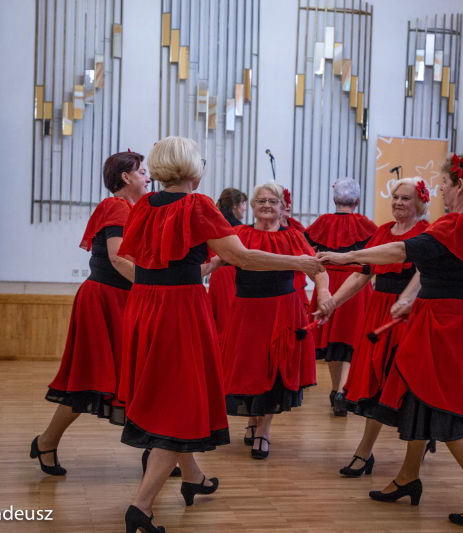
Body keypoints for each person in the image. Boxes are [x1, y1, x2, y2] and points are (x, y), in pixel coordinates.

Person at [117, 138, 323, 532]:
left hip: (144, 306)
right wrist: (299, 261)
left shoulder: (144, 205)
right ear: (192, 167)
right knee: (180, 404)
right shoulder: (197, 204)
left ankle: (192, 477)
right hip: (179, 309)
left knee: (168, 395)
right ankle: (141, 506)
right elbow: (241, 256)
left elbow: (132, 257)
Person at [316, 153, 463, 526]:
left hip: (446, 324)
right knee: (419, 397)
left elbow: (402, 250)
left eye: (445, 183)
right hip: (456, 318)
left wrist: (345, 256)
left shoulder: (456, 223)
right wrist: (412, 300)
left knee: (445, 409)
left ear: (460, 185)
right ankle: (407, 476)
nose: (441, 190)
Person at [30, 151, 149, 477]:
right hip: (105, 301)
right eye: (142, 172)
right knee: (89, 382)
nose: (147, 178)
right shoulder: (116, 206)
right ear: (125, 177)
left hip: (122, 300)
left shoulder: (134, 209)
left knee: (139, 379)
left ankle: (159, 454)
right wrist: (154, 285)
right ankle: (46, 441)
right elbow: (117, 258)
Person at [317, 177, 430, 475]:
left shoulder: (426, 233)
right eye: (395, 197)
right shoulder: (382, 232)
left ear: (420, 202)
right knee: (377, 383)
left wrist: (406, 301)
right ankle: (364, 452)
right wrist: (332, 303)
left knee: (407, 384)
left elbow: (425, 276)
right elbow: (361, 275)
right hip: (380, 310)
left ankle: (412, 457)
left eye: (405, 198)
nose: (398, 202)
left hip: (408, 314)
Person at [221, 181, 331, 459]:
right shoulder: (238, 234)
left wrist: (324, 292)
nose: (267, 206)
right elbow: (215, 259)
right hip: (246, 311)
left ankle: (263, 430)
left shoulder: (293, 236)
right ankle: (252, 418)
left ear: (283, 207)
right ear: (252, 206)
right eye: (261, 201)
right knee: (249, 369)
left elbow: (317, 269)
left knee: (274, 368)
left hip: (282, 311)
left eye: (273, 201)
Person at [305, 177, 378, 416]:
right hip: (356, 284)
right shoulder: (366, 224)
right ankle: (342, 391)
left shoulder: (322, 222)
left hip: (326, 281)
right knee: (350, 339)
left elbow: (307, 249)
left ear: (334, 198)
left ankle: (337, 389)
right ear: (357, 201)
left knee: (332, 340)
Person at [209, 188, 248, 339]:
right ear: (235, 206)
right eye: (243, 204)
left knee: (219, 320)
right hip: (231, 275)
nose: (245, 208)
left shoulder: (216, 224)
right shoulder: (239, 229)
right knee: (230, 322)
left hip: (216, 275)